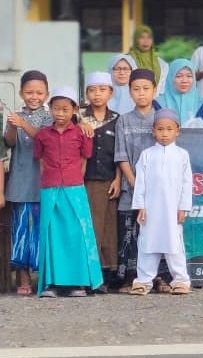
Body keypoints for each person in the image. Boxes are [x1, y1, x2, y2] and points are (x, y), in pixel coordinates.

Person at [34, 85, 103, 297]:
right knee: (51, 234)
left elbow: (84, 159)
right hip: (50, 188)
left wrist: (74, 180)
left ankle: (78, 283)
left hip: (74, 188)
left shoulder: (83, 133)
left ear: (74, 109)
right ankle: (52, 283)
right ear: (50, 109)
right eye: (56, 108)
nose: (60, 113)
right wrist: (49, 181)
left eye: (65, 109)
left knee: (77, 233)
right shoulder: (42, 135)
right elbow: (41, 161)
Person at [128, 109, 193, 296]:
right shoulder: (147, 154)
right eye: (160, 129)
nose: (164, 134)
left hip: (172, 210)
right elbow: (140, 183)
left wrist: (183, 208)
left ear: (177, 131)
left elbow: (187, 183)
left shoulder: (182, 155)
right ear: (153, 131)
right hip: (150, 210)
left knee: (174, 245)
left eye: (169, 129)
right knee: (147, 244)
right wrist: (140, 206)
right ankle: (143, 281)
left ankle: (180, 281)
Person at [3, 70, 51, 296]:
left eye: (39, 93)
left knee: (42, 230)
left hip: (44, 182)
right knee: (21, 229)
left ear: (47, 94)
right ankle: (23, 277)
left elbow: (43, 139)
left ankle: (44, 277)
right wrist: (13, 126)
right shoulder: (16, 116)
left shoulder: (50, 117)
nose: (34, 97)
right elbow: (10, 142)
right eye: (29, 92)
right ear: (21, 93)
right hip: (21, 182)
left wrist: (22, 124)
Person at [114, 68, 159, 291]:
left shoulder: (161, 119)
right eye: (136, 89)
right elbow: (121, 155)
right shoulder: (123, 121)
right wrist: (134, 182)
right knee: (129, 233)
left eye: (146, 88)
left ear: (155, 90)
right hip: (129, 187)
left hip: (157, 188)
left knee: (155, 231)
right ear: (129, 92)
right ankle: (129, 277)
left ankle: (158, 277)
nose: (141, 93)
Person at [81, 72, 121, 293]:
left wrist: (118, 179)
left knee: (108, 228)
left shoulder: (117, 119)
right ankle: (90, 275)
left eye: (102, 89)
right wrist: (79, 124)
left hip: (109, 180)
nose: (97, 94)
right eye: (92, 90)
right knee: (91, 227)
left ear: (111, 93)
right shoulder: (78, 118)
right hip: (85, 180)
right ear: (86, 93)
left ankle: (107, 274)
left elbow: (121, 152)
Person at [157, 59, 203, 126]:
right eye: (179, 76)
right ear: (171, 78)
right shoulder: (157, 104)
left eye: (189, 76)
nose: (184, 81)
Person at [128, 25, 168, 95]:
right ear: (136, 39)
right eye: (142, 37)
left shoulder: (161, 63)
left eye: (149, 38)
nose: (146, 41)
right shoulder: (127, 60)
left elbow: (162, 88)